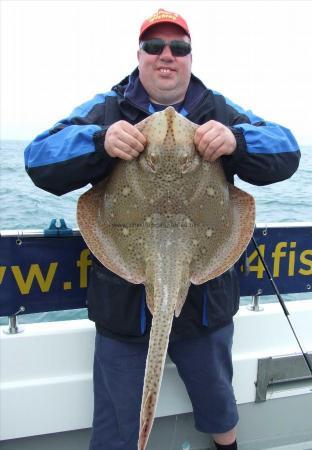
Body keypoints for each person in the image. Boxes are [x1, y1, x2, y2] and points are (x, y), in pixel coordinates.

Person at [24, 8, 300, 450]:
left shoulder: (220, 110)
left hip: (207, 301)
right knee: (119, 426)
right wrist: (100, 142)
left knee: (218, 402)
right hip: (122, 309)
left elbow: (287, 148)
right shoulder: (107, 109)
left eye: (179, 47)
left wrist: (238, 141)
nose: (166, 55)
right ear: (140, 55)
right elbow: (38, 158)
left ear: (191, 57)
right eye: (155, 46)